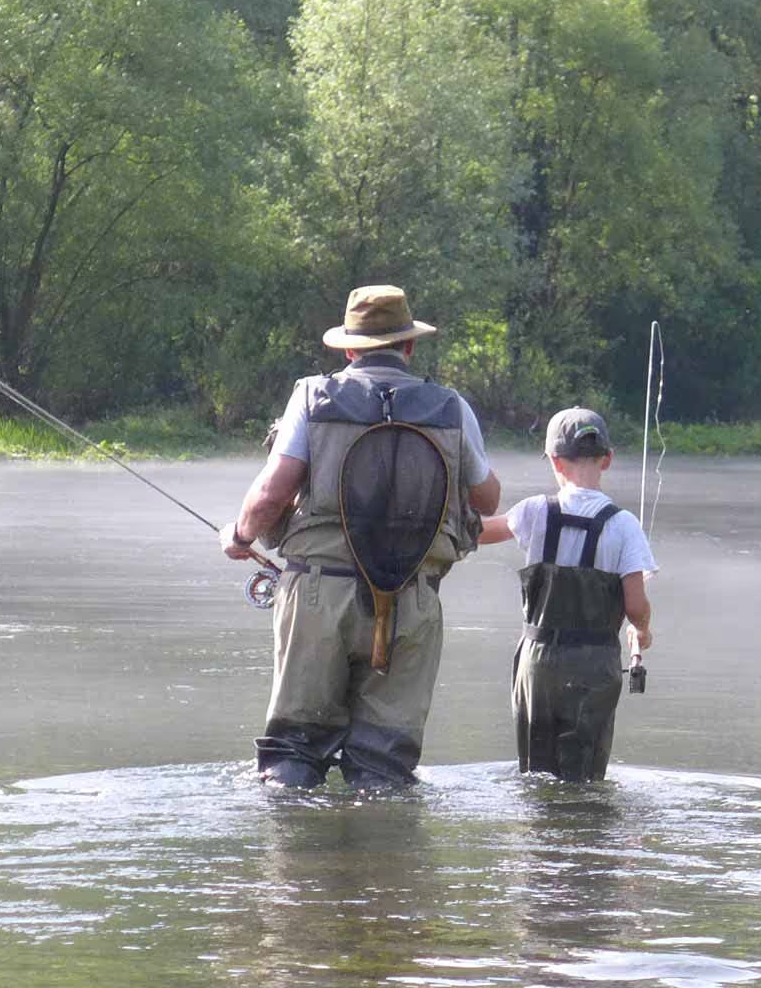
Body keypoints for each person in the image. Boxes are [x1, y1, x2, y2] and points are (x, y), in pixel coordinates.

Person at [221, 285, 502, 789]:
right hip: (412, 600)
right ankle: (381, 835)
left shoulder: (313, 396)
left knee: (294, 751)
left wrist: (239, 536)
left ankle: (293, 835)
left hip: (318, 594)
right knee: (384, 765)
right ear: (409, 346)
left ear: (349, 349)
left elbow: (272, 491)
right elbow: (487, 500)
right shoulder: (452, 407)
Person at [484, 406, 657, 782]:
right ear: (607, 459)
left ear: (554, 460)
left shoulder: (533, 511)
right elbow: (635, 605)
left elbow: (477, 533)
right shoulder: (624, 525)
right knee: (584, 781)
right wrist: (642, 631)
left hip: (537, 662)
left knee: (536, 777)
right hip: (594, 667)